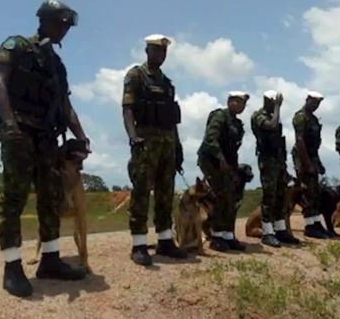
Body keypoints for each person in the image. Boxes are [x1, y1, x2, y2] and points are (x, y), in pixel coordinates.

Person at [0, 0, 89, 297]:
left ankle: (50, 260)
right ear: (44, 21)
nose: (64, 30)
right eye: (60, 23)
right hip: (20, 130)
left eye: (67, 26)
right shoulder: (16, 46)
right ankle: (12, 267)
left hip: (47, 138)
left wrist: (81, 137)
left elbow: (65, 105)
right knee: (14, 198)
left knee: (51, 198)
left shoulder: (56, 65)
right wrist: (9, 124)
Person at [122, 34, 187, 266]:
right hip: (146, 140)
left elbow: (172, 120)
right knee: (141, 192)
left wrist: (177, 148)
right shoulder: (136, 76)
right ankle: (139, 244)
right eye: (156, 50)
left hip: (167, 142)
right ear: (147, 51)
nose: (160, 55)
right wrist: (133, 137)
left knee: (166, 193)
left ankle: (165, 240)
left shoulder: (168, 84)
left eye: (163, 52)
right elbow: (127, 109)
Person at [198, 91, 250, 252]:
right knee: (220, 197)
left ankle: (228, 236)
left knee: (230, 198)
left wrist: (232, 168)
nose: (241, 106)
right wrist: (220, 159)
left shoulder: (237, 123)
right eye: (238, 102)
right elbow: (210, 140)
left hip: (227, 164)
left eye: (243, 104)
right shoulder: (220, 117)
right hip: (212, 161)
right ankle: (216, 237)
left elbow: (233, 149)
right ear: (229, 101)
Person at [251, 90, 300, 247]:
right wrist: (278, 107)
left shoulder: (273, 115)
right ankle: (267, 232)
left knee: (281, 195)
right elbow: (271, 126)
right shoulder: (259, 116)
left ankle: (280, 229)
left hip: (278, 161)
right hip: (267, 161)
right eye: (273, 102)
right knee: (269, 196)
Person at [292, 92, 330, 238]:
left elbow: (314, 146)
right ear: (307, 100)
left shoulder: (313, 119)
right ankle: (309, 225)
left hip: (312, 156)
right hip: (303, 157)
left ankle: (315, 222)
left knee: (315, 192)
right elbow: (300, 141)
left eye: (318, 103)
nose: (316, 105)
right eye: (313, 102)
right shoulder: (301, 116)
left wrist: (318, 163)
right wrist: (307, 164)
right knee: (307, 191)